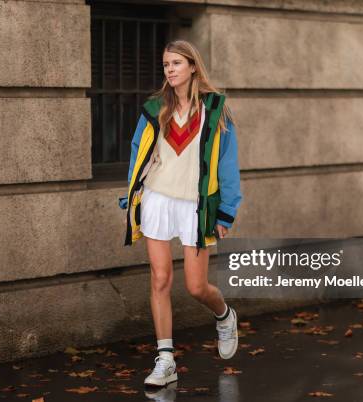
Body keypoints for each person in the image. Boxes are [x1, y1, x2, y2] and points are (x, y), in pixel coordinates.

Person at [118, 40, 242, 387]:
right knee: (160, 279)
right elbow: (136, 154)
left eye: (175, 63)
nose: (169, 70)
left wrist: (226, 212)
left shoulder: (215, 111)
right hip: (158, 198)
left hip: (195, 204)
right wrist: (133, 195)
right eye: (165, 65)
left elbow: (228, 165)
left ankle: (224, 316)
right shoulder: (155, 108)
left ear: (192, 67)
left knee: (196, 286)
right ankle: (166, 360)